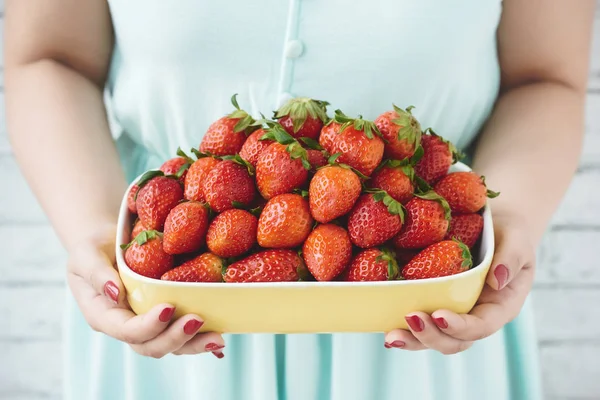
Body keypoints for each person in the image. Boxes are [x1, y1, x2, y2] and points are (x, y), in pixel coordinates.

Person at [4, 1, 595, 399]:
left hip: (431, 294)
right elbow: (48, 56)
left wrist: (507, 220)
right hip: (168, 280)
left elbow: (544, 74)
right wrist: (94, 230)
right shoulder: (182, 237)